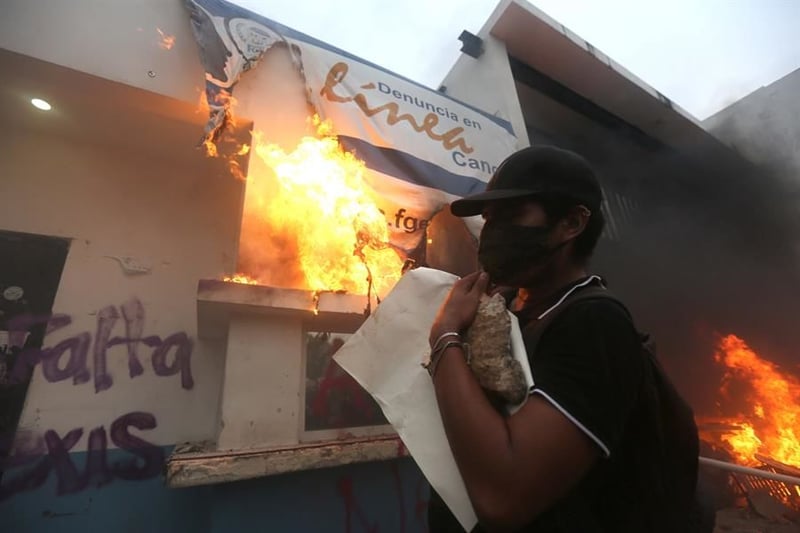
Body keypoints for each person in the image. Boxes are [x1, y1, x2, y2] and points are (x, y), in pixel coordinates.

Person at [426, 146, 701, 532]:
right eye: (489, 219)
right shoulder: (506, 310)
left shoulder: (594, 323)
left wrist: (445, 337)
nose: (493, 232)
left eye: (513, 215)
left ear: (572, 223)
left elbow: (503, 496)